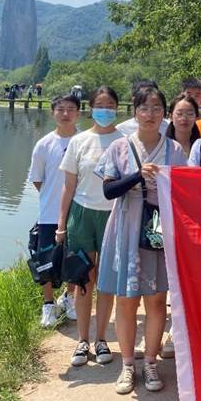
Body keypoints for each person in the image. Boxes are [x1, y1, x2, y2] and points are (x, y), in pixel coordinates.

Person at [96, 85, 188, 394]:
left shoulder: (174, 150)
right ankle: (127, 364)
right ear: (135, 112)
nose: (150, 114)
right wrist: (138, 176)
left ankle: (150, 361)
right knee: (126, 299)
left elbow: (185, 192)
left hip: (159, 229)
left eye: (156, 108)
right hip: (126, 226)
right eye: (144, 108)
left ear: (164, 114)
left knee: (157, 299)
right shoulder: (119, 147)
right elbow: (109, 190)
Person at [57, 86, 124, 368]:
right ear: (91, 108)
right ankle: (83, 340)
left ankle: (101, 338)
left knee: (106, 281)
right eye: (100, 105)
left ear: (117, 108)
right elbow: (68, 186)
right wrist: (61, 224)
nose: (104, 110)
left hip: (113, 216)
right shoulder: (79, 141)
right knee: (84, 280)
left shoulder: (125, 142)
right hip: (82, 215)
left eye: (109, 105)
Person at [27, 94, 81, 327]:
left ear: (78, 113)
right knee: (45, 259)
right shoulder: (44, 144)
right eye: (60, 109)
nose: (65, 114)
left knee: (75, 257)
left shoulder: (84, 141)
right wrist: (53, 198)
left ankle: (69, 297)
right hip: (49, 214)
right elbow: (37, 179)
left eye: (71, 109)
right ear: (53, 113)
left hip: (79, 211)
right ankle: (48, 305)